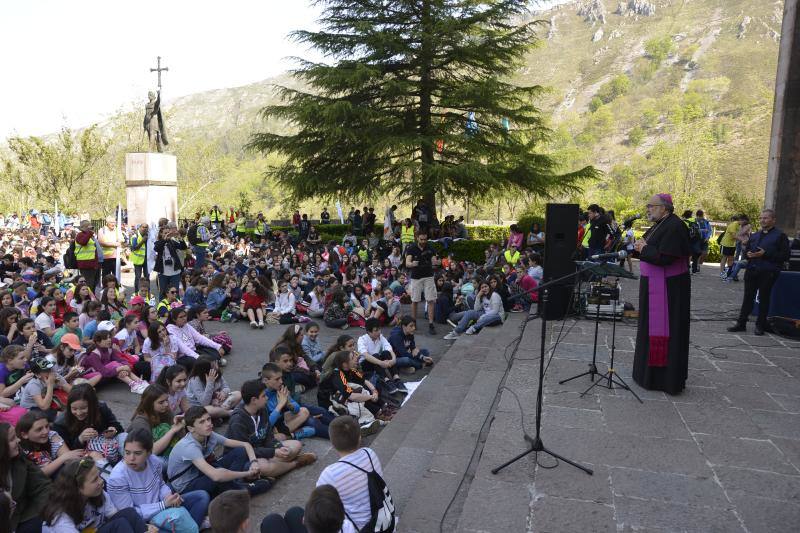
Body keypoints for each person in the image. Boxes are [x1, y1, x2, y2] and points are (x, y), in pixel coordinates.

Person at [631, 193, 692, 395]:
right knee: (648, 328)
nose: (648, 209)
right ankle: (646, 374)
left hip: (669, 290)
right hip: (656, 284)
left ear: (664, 208)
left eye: (652, 206)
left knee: (669, 329)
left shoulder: (674, 226)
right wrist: (639, 246)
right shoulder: (661, 223)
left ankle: (664, 379)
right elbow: (650, 247)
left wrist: (644, 248)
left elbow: (665, 258)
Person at [107, 430, 209, 532]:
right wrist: (163, 505)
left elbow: (161, 485)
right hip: (144, 522)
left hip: (164, 507)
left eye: (137, 453)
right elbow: (130, 515)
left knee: (202, 497)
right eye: (127, 452)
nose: (131, 458)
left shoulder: (154, 461)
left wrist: (169, 496)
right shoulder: (117, 478)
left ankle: (187, 527)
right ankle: (190, 526)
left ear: (149, 453)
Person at [166, 406, 271, 497]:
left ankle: (235, 486)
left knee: (240, 451)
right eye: (202, 422)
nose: (208, 424)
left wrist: (254, 462)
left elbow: (245, 445)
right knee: (217, 477)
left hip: (201, 473)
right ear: (191, 429)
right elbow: (216, 476)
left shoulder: (209, 435)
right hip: (186, 486)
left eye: (208, 419)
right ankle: (241, 489)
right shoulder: (189, 447)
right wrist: (247, 473)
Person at [316, 415, 395, 533]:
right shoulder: (369, 453)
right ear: (359, 438)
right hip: (385, 523)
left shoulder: (330, 474)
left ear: (332, 444)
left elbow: (319, 508)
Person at [225, 379, 316, 479]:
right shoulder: (238, 421)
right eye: (264, 396)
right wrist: (273, 452)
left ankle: (275, 469)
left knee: (296, 445)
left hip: (263, 449)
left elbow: (269, 437)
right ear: (254, 400)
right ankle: (295, 463)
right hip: (247, 457)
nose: (267, 398)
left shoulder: (262, 410)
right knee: (262, 467)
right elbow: (245, 451)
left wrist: (278, 447)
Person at [42, 457, 146, 533]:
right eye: (94, 479)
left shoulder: (97, 494)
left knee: (129, 514)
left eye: (99, 476)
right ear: (77, 488)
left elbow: (114, 515)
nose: (101, 481)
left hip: (96, 530)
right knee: (118, 525)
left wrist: (145, 527)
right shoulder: (61, 517)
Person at [728, 209, 790, 336]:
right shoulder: (755, 235)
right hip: (752, 270)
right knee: (747, 298)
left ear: (773, 220)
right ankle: (741, 323)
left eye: (766, 218)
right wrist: (748, 254)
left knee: (764, 298)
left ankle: (760, 325)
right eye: (761, 218)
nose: (762, 220)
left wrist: (765, 254)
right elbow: (746, 253)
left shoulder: (780, 236)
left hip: (768, 272)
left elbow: (785, 255)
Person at [53, 384, 125, 466]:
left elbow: (117, 426)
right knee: (95, 456)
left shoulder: (101, 407)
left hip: (107, 445)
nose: (79, 413)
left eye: (83, 408)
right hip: (86, 454)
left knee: (124, 437)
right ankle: (108, 476)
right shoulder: (61, 423)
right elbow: (67, 452)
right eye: (74, 409)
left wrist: (113, 430)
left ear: (93, 405)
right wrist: (80, 439)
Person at [1, 421, 52, 533]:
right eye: (12, 439)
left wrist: (49, 511)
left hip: (24, 515)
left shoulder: (19, 456)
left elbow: (41, 485)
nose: (18, 440)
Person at [16, 410, 85, 478]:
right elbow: (37, 476)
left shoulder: (51, 435)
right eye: (39, 429)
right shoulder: (19, 450)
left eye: (47, 426)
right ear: (25, 435)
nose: (46, 431)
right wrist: (62, 458)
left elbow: (69, 459)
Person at [127, 384, 185, 457]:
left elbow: (181, 438)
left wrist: (180, 425)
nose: (166, 404)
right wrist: (172, 431)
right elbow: (151, 451)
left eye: (167, 400)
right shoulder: (140, 422)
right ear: (150, 404)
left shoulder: (165, 411)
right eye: (161, 402)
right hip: (142, 456)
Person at [405, 232, 439, 335]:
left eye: (425, 239)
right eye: (421, 239)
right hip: (416, 277)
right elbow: (407, 263)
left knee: (430, 300)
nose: (423, 241)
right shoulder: (411, 248)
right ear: (417, 238)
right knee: (415, 300)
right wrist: (412, 264)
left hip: (428, 276)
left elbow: (434, 260)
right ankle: (413, 322)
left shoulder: (430, 247)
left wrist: (436, 262)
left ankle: (431, 324)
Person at [154, 224, 187, 298]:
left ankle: (177, 307)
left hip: (174, 271)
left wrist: (180, 238)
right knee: (162, 292)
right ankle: (162, 308)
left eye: (168, 233)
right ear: (161, 234)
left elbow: (183, 247)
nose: (167, 235)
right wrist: (164, 239)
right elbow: (157, 248)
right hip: (163, 272)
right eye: (165, 233)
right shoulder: (158, 242)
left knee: (175, 291)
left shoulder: (172, 242)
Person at [74, 221, 101, 291]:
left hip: (93, 263)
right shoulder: (80, 235)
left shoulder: (89, 235)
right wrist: (89, 233)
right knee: (89, 283)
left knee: (94, 282)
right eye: (88, 226)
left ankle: (92, 297)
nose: (90, 228)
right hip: (85, 264)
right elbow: (83, 242)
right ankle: (88, 299)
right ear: (83, 227)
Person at [98, 216, 123, 281]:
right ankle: (105, 290)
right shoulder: (102, 230)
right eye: (111, 222)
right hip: (106, 258)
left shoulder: (117, 230)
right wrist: (114, 244)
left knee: (116, 277)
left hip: (116, 257)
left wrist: (117, 243)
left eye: (114, 222)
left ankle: (116, 290)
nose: (113, 224)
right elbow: (101, 242)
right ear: (107, 223)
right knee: (106, 277)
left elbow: (120, 241)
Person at [719, 215, 740, 279]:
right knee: (725, 258)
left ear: (732, 219)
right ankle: (722, 273)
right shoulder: (734, 225)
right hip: (726, 243)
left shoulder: (736, 224)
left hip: (731, 244)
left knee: (728, 258)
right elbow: (734, 236)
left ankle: (727, 273)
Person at [129, 225, 149, 294]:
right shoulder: (135, 236)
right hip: (138, 260)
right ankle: (137, 293)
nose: (145, 229)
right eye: (143, 227)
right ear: (139, 228)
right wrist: (143, 241)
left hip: (146, 260)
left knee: (147, 277)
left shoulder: (148, 236)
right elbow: (134, 247)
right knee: (138, 277)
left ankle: (147, 293)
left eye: (146, 227)